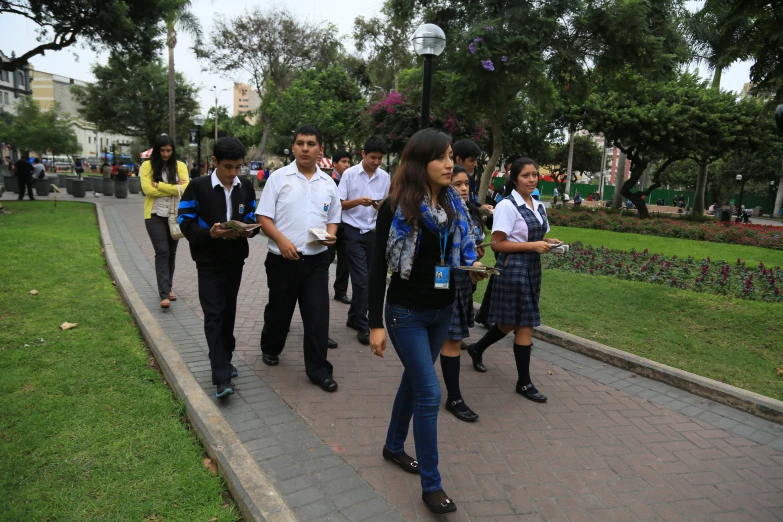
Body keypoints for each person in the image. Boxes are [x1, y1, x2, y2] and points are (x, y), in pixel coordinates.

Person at [368, 128, 486, 515]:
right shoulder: (396, 206)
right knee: (430, 393)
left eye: (451, 155)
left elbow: (460, 254)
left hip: (443, 310)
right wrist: (375, 324)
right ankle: (432, 486)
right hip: (405, 314)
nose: (450, 164)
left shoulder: (454, 205)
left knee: (414, 382)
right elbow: (375, 269)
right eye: (441, 157)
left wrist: (472, 267)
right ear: (420, 162)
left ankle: (392, 446)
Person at [467, 157, 560, 404]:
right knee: (525, 325)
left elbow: (538, 235)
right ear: (515, 179)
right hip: (513, 269)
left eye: (534, 175)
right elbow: (497, 244)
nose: (531, 180)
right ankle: (524, 382)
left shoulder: (538, 206)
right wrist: (532, 245)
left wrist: (550, 243)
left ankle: (477, 349)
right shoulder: (508, 206)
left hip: (532, 268)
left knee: (509, 323)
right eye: (525, 175)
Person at [256, 124, 341, 393]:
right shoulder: (279, 178)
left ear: (320, 149)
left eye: (311, 143)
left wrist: (330, 236)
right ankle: (271, 347)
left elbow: (333, 218)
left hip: (317, 261)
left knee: (317, 316)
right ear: (293, 147)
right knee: (280, 312)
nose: (305, 148)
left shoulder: (328, 183)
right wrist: (281, 241)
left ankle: (318, 370)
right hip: (282, 261)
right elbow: (263, 217)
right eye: (301, 143)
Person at [177, 137, 257, 398]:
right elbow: (185, 222)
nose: (233, 173)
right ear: (214, 162)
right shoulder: (197, 187)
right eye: (228, 167)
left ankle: (225, 359)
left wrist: (248, 231)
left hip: (235, 260)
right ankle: (221, 377)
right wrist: (209, 234)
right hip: (208, 261)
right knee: (214, 314)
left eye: (238, 167)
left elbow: (252, 218)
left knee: (228, 312)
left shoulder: (245, 187)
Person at [439, 165, 488, 423]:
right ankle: (454, 397)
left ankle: (451, 395)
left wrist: (476, 259)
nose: (464, 188)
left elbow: (472, 246)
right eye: (457, 184)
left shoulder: (468, 212)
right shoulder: (440, 212)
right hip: (442, 278)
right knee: (450, 339)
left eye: (466, 183)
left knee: (452, 338)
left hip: (462, 281)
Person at [339, 136, 391, 345]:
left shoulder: (385, 177)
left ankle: (353, 317)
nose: (376, 162)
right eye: (373, 157)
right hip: (352, 231)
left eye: (380, 158)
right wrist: (359, 201)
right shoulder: (350, 175)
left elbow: (387, 204)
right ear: (363, 154)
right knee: (361, 282)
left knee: (371, 280)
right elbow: (340, 203)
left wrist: (380, 206)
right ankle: (363, 325)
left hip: (374, 233)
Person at [140, 135, 190, 309]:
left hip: (174, 215)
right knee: (162, 251)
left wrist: (159, 186)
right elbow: (147, 190)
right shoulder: (147, 166)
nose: (166, 154)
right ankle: (164, 294)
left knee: (171, 253)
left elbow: (185, 188)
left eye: (169, 150)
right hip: (154, 215)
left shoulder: (180, 166)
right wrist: (174, 188)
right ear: (157, 150)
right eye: (162, 150)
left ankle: (167, 287)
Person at [329, 149, 352, 307]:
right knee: (327, 258)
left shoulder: (350, 180)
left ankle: (340, 292)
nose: (347, 165)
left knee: (345, 261)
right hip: (329, 226)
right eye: (343, 162)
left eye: (348, 162)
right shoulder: (327, 180)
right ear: (334, 164)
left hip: (345, 227)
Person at [453, 139, 482, 205]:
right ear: (458, 159)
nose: (475, 164)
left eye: (466, 183)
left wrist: (480, 209)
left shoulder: (470, 179)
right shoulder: (446, 180)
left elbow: (471, 203)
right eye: (458, 184)